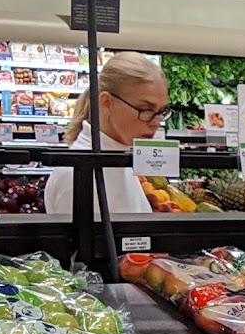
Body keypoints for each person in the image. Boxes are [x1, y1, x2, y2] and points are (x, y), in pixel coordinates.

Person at [39, 50, 166, 220]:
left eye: (161, 111)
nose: (156, 122)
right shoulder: (77, 174)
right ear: (107, 103)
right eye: (146, 109)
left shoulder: (117, 156)